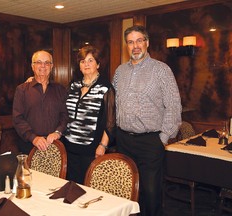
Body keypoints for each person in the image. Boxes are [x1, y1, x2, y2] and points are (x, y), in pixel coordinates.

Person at [112, 25, 182, 216]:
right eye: (130, 42)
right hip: (123, 141)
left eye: (139, 40)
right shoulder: (120, 71)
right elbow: (110, 97)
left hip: (150, 142)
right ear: (127, 45)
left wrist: (163, 138)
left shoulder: (161, 70)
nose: (135, 46)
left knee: (151, 194)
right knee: (126, 191)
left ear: (147, 42)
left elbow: (174, 106)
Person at [62, 45, 116, 184]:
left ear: (98, 64)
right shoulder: (73, 85)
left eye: (90, 60)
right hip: (69, 146)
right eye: (82, 61)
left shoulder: (106, 87)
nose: (86, 64)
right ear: (79, 66)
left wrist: (103, 145)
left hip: (91, 149)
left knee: (88, 187)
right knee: (71, 187)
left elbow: (111, 121)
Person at [13, 50, 69, 155]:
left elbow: (65, 115)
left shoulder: (60, 89)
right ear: (32, 66)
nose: (43, 66)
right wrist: (33, 138)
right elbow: (18, 119)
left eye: (47, 62)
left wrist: (58, 132)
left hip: (54, 146)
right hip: (29, 146)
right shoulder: (22, 90)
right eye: (39, 62)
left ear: (51, 66)